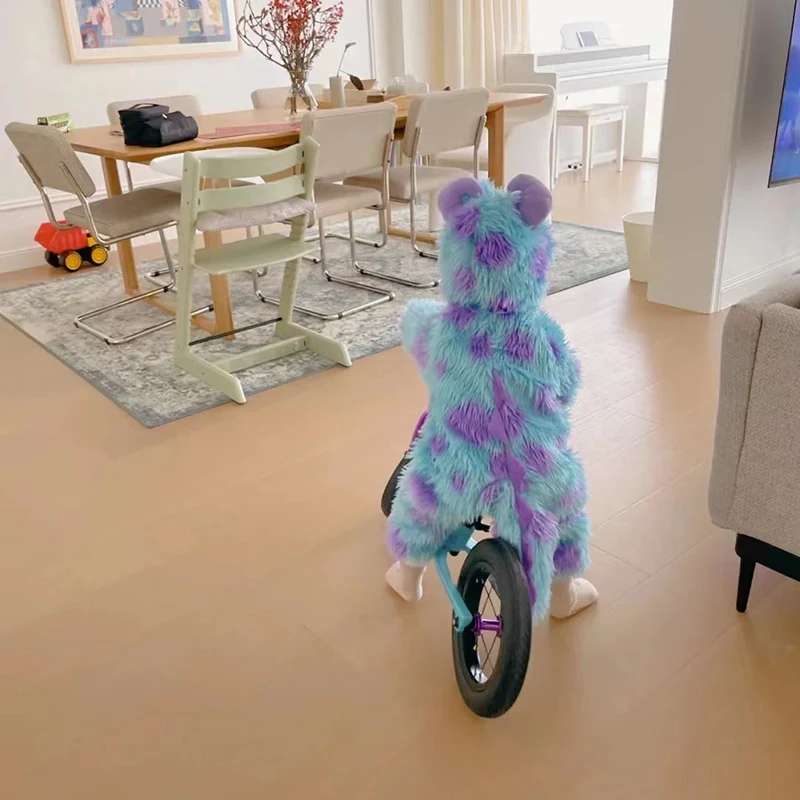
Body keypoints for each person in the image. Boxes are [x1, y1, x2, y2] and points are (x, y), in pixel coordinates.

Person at [385, 175, 598, 620]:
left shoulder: (438, 331)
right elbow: (568, 385)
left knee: (422, 497)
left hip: (461, 468)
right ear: (533, 263)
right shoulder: (544, 337)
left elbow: (414, 324)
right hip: (536, 469)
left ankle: (408, 575)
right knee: (565, 508)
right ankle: (562, 594)